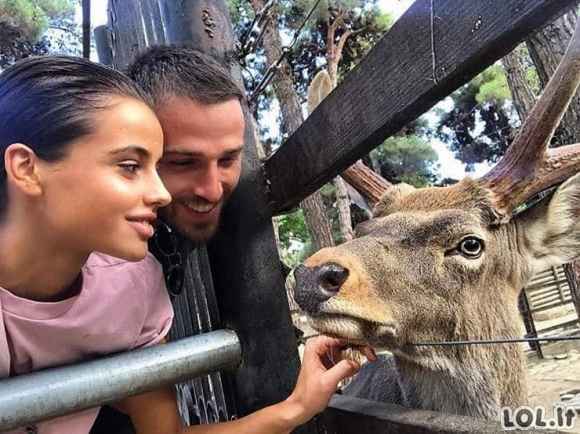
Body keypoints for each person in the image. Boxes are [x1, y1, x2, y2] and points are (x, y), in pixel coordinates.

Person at [0, 54, 373, 434]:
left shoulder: (134, 287)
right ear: (26, 169)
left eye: (229, 158)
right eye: (132, 166)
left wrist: (297, 406)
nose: (161, 194)